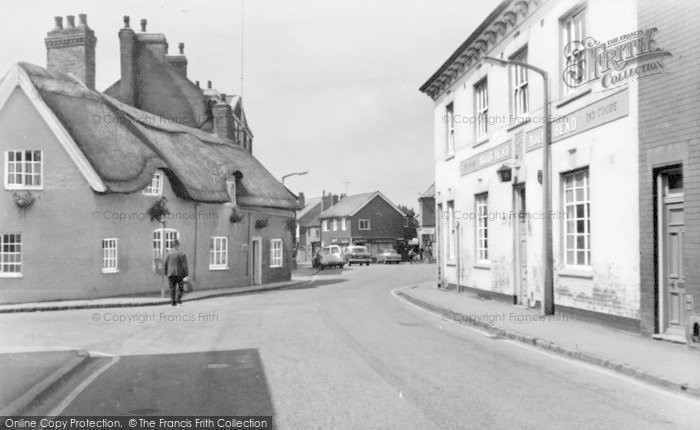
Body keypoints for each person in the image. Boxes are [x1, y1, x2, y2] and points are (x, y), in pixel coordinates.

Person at [164, 239, 188, 306]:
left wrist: (166, 272)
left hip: (170, 273)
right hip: (179, 274)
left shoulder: (168, 253)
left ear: (173, 245)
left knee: (172, 288)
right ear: (178, 245)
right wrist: (186, 274)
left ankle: (173, 302)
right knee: (181, 288)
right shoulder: (182, 254)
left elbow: (165, 263)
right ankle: (178, 298)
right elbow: (184, 265)